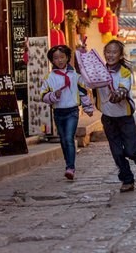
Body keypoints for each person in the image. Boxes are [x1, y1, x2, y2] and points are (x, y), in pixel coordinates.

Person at [93, 40, 136, 192]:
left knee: (131, 150)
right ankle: (127, 179)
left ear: (120, 55)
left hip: (125, 117)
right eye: (108, 52)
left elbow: (124, 88)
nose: (110, 55)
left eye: (114, 52)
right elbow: (86, 79)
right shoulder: (99, 71)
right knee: (117, 152)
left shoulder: (125, 72)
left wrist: (118, 94)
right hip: (108, 118)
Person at [40, 45, 94, 181]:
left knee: (69, 138)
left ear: (68, 58)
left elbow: (83, 91)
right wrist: (53, 95)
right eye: (56, 58)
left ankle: (70, 167)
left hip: (72, 112)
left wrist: (88, 108)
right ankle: (68, 162)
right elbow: (43, 96)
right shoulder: (49, 77)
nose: (59, 60)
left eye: (62, 57)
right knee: (63, 140)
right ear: (52, 60)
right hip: (58, 112)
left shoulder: (75, 76)